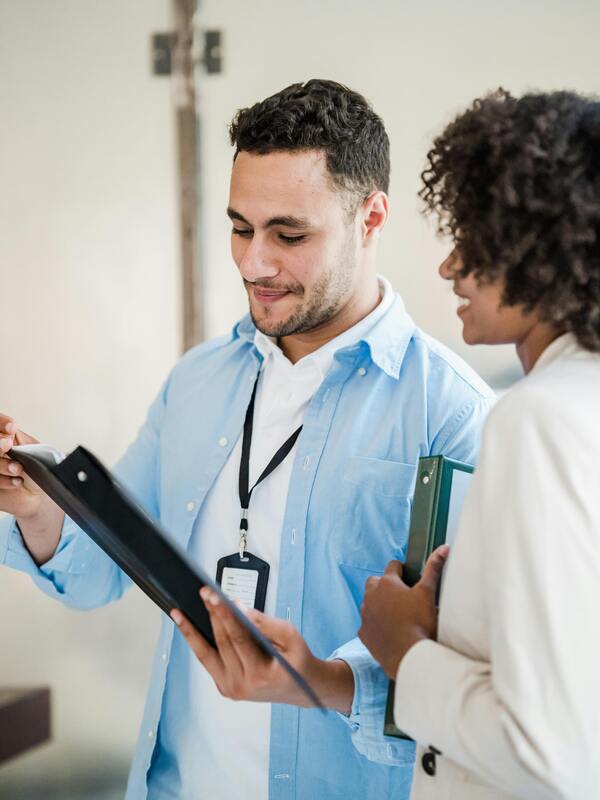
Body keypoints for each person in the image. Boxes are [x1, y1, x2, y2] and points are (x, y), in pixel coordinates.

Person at [0, 79, 494, 800]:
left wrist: (325, 683)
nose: (254, 263)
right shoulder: (198, 381)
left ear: (370, 217)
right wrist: (35, 507)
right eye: (240, 227)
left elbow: (463, 686)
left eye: (289, 235)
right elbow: (101, 571)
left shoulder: (455, 414)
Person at [358, 89, 600, 799]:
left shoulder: (538, 419)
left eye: (475, 236)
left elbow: (551, 754)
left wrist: (405, 650)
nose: (449, 266)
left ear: (546, 245)